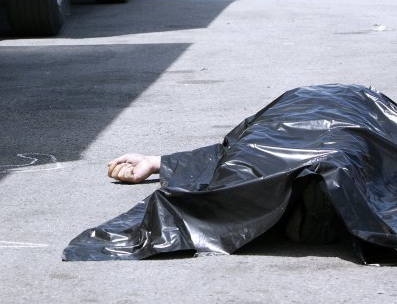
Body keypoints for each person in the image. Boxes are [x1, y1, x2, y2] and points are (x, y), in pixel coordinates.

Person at [65, 84, 397, 263]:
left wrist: (158, 162)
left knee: (243, 168)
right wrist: (158, 162)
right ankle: (321, 195)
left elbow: (222, 150)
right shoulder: (378, 109)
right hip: (345, 139)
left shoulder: (290, 102)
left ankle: (308, 194)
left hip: (271, 144)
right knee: (352, 163)